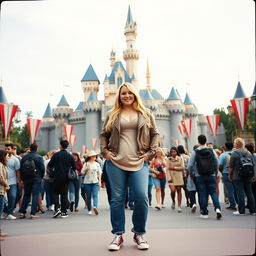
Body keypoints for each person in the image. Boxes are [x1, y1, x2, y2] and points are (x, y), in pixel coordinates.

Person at [100, 82, 159, 251]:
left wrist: (151, 153)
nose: (126, 96)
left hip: (139, 161)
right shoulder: (112, 114)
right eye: (123, 93)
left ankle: (139, 233)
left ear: (135, 94)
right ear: (119, 96)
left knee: (141, 197)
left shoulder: (146, 113)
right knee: (117, 199)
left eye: (129, 93)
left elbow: (154, 134)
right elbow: (104, 134)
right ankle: (118, 235)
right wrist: (104, 152)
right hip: (115, 162)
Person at [188, 135, 222, 219]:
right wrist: (215, 172)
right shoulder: (211, 150)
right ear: (206, 141)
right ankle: (217, 208)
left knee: (202, 193)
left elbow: (190, 165)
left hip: (199, 175)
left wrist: (192, 174)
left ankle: (204, 213)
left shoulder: (195, 152)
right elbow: (216, 162)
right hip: (211, 174)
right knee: (213, 192)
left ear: (198, 141)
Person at [48, 140, 76, 218]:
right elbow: (74, 167)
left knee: (55, 192)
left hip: (56, 177)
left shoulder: (56, 155)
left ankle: (57, 208)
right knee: (64, 194)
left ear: (60, 145)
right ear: (67, 146)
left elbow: (50, 165)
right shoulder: (70, 156)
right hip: (66, 178)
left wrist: (53, 171)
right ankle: (64, 212)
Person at [229, 138, 256, 215]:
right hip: (248, 176)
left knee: (240, 193)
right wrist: (254, 175)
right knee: (249, 193)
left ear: (237, 144)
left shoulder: (234, 153)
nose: (234, 144)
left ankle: (241, 211)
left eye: (234, 143)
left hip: (237, 176)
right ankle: (253, 210)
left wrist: (229, 174)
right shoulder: (248, 153)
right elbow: (254, 165)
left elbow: (231, 166)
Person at [19, 143, 45, 219]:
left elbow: (21, 169)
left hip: (26, 178)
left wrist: (22, 178)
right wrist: (41, 177)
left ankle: (22, 212)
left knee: (26, 195)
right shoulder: (39, 157)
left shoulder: (24, 157)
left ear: (30, 148)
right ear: (37, 149)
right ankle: (33, 213)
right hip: (36, 178)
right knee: (35, 195)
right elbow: (42, 168)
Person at [2, 143, 21, 220]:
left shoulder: (15, 159)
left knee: (13, 196)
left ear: (12, 149)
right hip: (2, 182)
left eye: (8, 149)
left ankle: (9, 212)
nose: (6, 150)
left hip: (12, 182)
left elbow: (17, 171)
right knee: (1, 198)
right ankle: (6, 210)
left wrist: (19, 181)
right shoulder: (1, 158)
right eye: (5, 149)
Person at [81, 150, 102, 215]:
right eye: (93, 156)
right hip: (87, 182)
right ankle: (89, 210)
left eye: (95, 156)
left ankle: (95, 206)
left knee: (95, 195)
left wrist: (100, 182)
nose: (94, 157)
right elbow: (82, 172)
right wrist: (86, 170)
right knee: (88, 196)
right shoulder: (86, 163)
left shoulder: (97, 164)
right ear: (90, 157)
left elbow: (100, 173)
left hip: (95, 182)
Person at [219, 142, 237, 211]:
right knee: (237, 189)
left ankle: (232, 205)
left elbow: (220, 166)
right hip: (236, 173)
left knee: (230, 190)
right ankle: (239, 203)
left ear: (225, 147)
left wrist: (222, 172)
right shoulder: (235, 153)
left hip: (226, 173)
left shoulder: (223, 155)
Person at [167, 146, 184, 213]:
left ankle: (179, 206)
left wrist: (174, 167)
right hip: (171, 177)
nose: (172, 153)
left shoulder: (180, 158)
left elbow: (182, 167)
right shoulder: (168, 159)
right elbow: (167, 169)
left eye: (174, 151)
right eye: (171, 152)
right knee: (173, 190)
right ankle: (173, 201)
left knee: (179, 190)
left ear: (177, 152)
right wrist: (169, 178)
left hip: (179, 176)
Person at [0, 150, 10, 240]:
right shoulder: (0, 165)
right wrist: (6, 185)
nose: (8, 157)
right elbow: (0, 177)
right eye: (7, 155)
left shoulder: (2, 165)